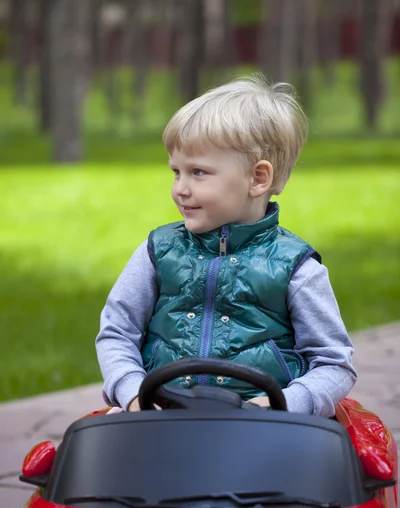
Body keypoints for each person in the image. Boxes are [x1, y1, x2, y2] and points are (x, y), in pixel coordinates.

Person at [96, 74, 357, 417]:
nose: (180, 188)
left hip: (263, 425)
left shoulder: (296, 267)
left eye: (198, 172)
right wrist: (133, 395)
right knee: (88, 452)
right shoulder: (156, 252)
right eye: (176, 171)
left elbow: (333, 363)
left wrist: (283, 405)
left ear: (258, 178)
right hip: (160, 416)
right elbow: (117, 332)